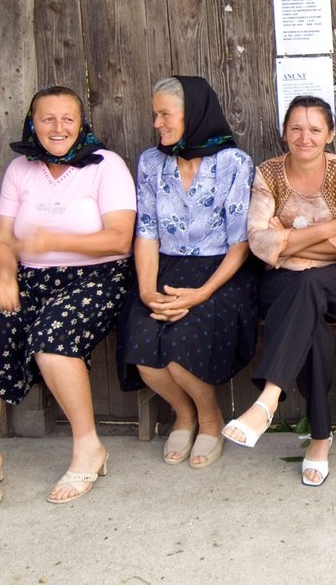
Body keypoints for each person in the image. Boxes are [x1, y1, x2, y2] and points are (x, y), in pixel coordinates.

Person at [0, 86, 136, 510]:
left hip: (96, 278)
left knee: (51, 341)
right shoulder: (20, 169)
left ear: (81, 123)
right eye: (47, 119)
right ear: (32, 123)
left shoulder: (105, 166)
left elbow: (119, 238)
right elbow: (2, 238)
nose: (58, 128)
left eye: (67, 119)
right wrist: (5, 274)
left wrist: (51, 239)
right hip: (29, 278)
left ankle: (89, 447)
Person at [223, 96, 336, 487]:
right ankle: (320, 437)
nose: (305, 137)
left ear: (330, 134)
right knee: (312, 321)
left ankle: (268, 400)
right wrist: (325, 230)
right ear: (284, 132)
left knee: (309, 288)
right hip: (282, 282)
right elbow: (258, 241)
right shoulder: (268, 172)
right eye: (296, 128)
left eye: (315, 129)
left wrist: (286, 239)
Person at [117, 76, 258, 469]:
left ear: (192, 114)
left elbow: (240, 243)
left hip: (221, 272)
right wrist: (147, 291)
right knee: (144, 348)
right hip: (165, 267)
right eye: (154, 115)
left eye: (165, 114)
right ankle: (184, 413)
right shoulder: (150, 162)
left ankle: (210, 418)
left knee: (180, 351)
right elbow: (145, 231)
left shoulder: (233, 163)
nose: (157, 123)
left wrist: (201, 294)